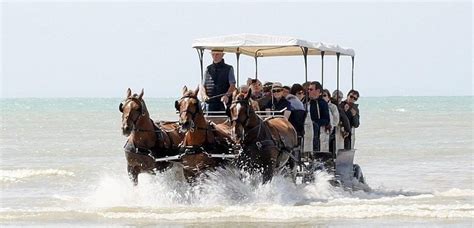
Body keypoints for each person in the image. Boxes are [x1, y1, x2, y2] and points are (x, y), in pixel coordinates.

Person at [305, 81, 330, 152]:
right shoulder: (306, 102)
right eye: (308, 89)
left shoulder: (322, 103)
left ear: (317, 91)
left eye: (311, 89)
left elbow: (326, 119)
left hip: (317, 134)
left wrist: (315, 123)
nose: (308, 91)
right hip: (306, 133)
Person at [322, 89, 340, 155]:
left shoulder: (333, 107)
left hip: (330, 131)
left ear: (328, 97)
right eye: (321, 96)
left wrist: (330, 125)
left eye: (324, 95)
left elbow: (336, 120)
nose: (323, 97)